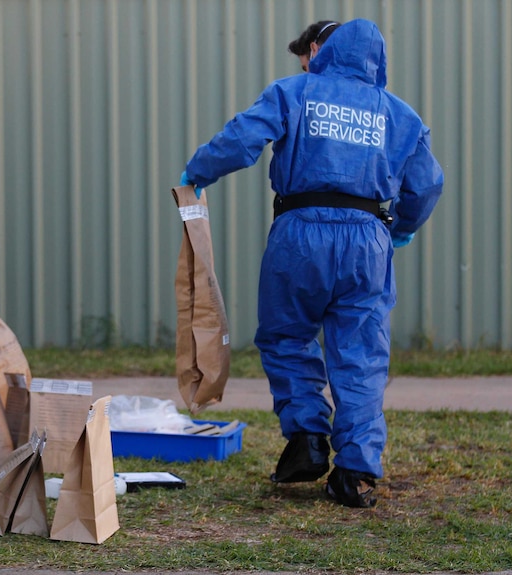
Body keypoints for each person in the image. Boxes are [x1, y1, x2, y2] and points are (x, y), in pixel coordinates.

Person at [179, 18, 443, 508]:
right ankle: (357, 472)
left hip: (300, 234)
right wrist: (402, 227)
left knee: (285, 335)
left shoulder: (294, 92)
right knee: (362, 353)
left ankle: (306, 439)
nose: (303, 62)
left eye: (306, 53)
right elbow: (427, 184)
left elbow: (242, 139)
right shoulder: (400, 115)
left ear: (321, 50)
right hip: (369, 239)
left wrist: (198, 171)